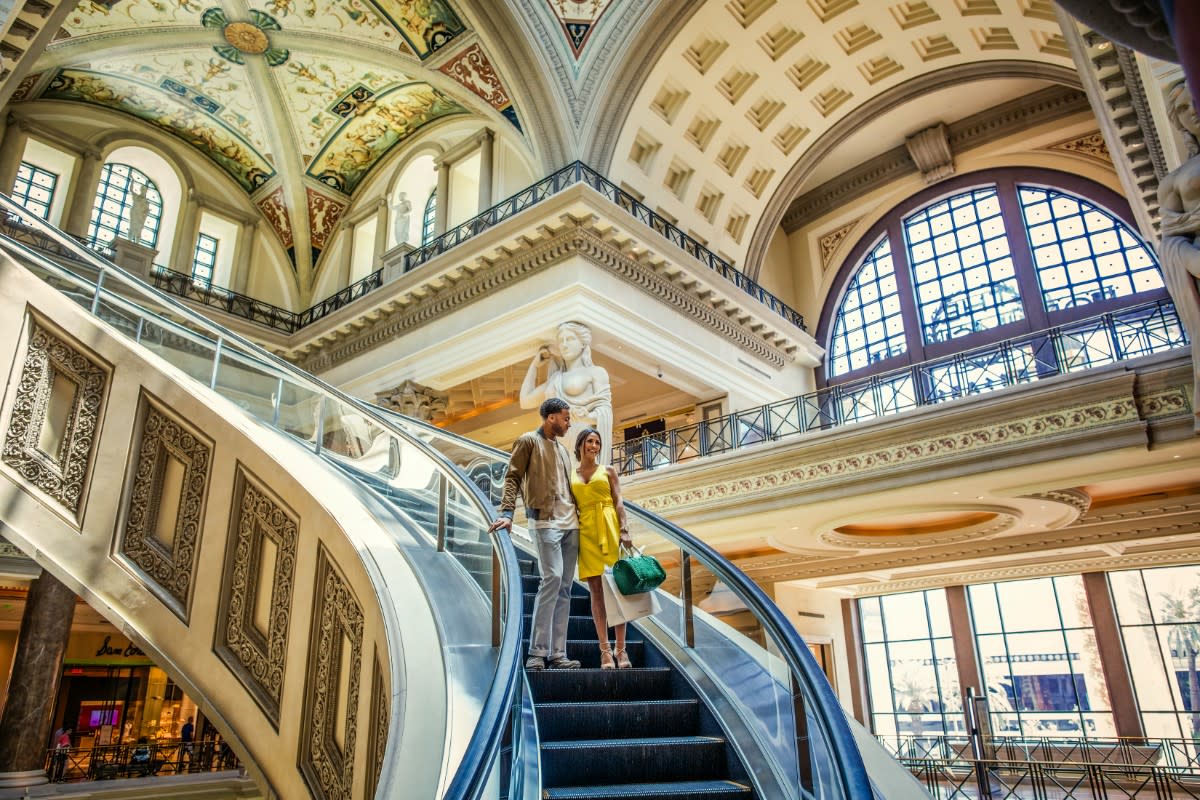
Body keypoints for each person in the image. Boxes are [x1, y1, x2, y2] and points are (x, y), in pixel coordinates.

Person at [490, 397, 581, 670]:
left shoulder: (564, 451)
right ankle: (537, 653)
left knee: (564, 588)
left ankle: (558, 654)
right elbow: (513, 477)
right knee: (551, 578)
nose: (568, 423)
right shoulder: (528, 441)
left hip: (571, 525)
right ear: (551, 417)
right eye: (565, 418)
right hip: (544, 522)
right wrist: (507, 513)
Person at [571, 428, 634, 669]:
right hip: (586, 533)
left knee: (616, 591)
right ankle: (604, 651)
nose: (594, 446)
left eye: (597, 442)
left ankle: (621, 649)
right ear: (580, 445)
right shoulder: (571, 476)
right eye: (589, 441)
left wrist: (624, 529)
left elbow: (619, 501)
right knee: (596, 593)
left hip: (608, 527)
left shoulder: (608, 471)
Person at [1159, 79, 1200, 428]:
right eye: (1184, 108)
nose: (1194, 112)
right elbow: (1169, 239)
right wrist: (1190, 259)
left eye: (1195, 101)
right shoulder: (1175, 180)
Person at [519, 321, 613, 465]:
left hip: (580, 441)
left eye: (569, 339)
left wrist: (587, 416)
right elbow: (525, 400)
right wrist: (534, 366)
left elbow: (605, 411)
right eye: (561, 341)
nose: (564, 344)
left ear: (582, 343)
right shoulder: (555, 379)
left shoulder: (596, 373)